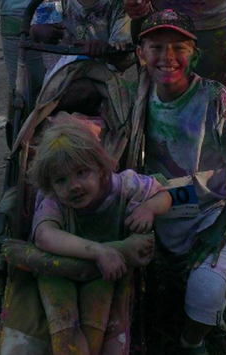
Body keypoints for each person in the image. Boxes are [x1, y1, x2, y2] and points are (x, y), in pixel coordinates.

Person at [134, 9, 226, 355]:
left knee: (204, 293)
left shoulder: (217, 99)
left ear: (196, 54)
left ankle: (192, 342)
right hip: (165, 205)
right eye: (156, 47)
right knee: (175, 284)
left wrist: (220, 228)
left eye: (180, 47)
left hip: (213, 206)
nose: (168, 57)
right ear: (140, 53)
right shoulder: (135, 97)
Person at [30, 122, 172, 355]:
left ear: (100, 168)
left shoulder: (122, 185)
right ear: (51, 185)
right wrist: (98, 251)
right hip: (63, 270)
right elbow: (44, 236)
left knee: (97, 317)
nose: (73, 186)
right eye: (61, 180)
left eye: (81, 172)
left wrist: (149, 208)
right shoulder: (55, 202)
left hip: (103, 275)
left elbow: (163, 194)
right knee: (63, 328)